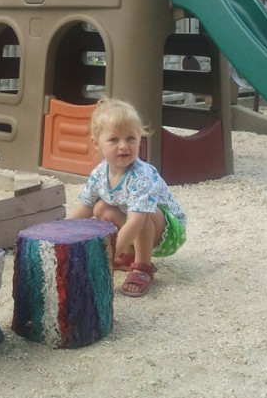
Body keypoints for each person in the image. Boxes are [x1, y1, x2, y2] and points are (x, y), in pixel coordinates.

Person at [69, 97, 187, 297]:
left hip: (167, 231)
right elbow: (85, 207)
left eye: (130, 138)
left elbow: (135, 222)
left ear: (140, 138)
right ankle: (127, 255)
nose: (124, 146)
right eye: (114, 140)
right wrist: (59, 234)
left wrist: (106, 257)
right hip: (135, 223)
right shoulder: (99, 173)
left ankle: (143, 268)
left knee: (142, 215)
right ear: (96, 143)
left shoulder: (142, 175)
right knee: (100, 208)